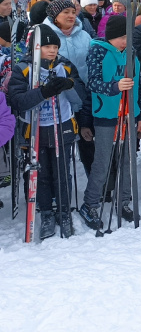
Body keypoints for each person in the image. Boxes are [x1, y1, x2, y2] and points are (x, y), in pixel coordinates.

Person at [8, 24, 85, 239]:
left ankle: (63, 211)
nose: (52, 50)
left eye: (55, 46)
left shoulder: (65, 65)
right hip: (36, 129)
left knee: (62, 173)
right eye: (47, 46)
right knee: (41, 174)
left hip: (62, 126)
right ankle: (47, 213)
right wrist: (43, 92)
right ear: (35, 47)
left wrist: (68, 84)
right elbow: (17, 102)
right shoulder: (23, 68)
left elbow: (80, 97)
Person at [78, 14, 141, 229]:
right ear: (111, 36)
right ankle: (90, 204)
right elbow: (95, 83)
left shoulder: (132, 53)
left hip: (129, 114)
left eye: (128, 37)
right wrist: (116, 87)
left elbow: (139, 85)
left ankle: (124, 201)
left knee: (128, 160)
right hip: (107, 114)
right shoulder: (98, 51)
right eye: (121, 37)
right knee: (103, 161)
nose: (126, 41)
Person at [43, 0, 92, 83]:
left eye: (73, 12)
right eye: (66, 12)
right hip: (56, 92)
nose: (71, 15)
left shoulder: (85, 36)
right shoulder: (44, 36)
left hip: (84, 90)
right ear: (55, 15)